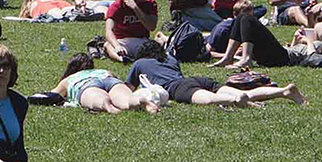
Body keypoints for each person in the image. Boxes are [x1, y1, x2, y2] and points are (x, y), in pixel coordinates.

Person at [127, 49, 304, 107]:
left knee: (210, 99)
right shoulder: (169, 58)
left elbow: (128, 89)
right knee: (248, 93)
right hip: (196, 79)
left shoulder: (139, 63)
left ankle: (236, 99)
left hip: (177, 88)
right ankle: (283, 91)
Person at [50, 51, 161, 114]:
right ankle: (139, 101)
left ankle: (110, 108)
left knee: (101, 100)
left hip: (86, 84)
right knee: (127, 100)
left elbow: (51, 95)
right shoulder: (103, 71)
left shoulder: (70, 79)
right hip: (109, 80)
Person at [102, 0, 160, 64]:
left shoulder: (150, 3)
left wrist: (135, 8)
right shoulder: (117, 6)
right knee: (107, 45)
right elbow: (109, 31)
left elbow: (151, 27)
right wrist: (117, 46)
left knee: (160, 40)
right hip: (122, 42)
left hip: (142, 41)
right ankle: (123, 59)